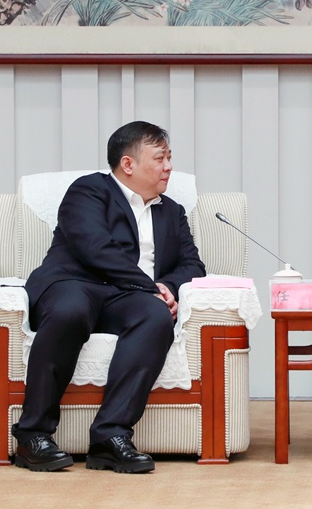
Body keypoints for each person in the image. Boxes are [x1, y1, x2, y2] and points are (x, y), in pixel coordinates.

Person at [11, 121, 205, 473]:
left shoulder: (171, 211)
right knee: (71, 310)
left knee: (155, 315)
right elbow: (95, 248)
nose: (168, 167)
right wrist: (151, 287)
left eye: (169, 158)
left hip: (127, 297)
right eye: (160, 158)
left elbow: (192, 264)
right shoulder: (89, 190)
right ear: (128, 164)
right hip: (74, 284)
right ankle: (32, 435)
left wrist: (168, 288)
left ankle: (110, 437)